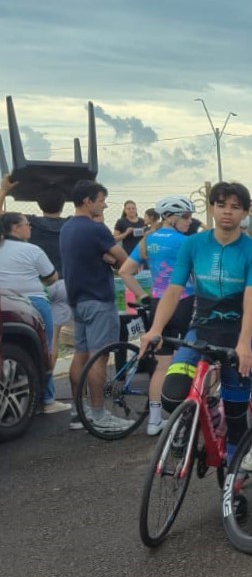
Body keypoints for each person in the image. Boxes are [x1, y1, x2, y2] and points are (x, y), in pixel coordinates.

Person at [138, 182, 252, 467]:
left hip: (236, 333)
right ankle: (206, 416)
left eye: (235, 207)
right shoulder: (193, 244)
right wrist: (155, 329)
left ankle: (234, 471)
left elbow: (251, 298)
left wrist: (245, 343)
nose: (227, 212)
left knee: (236, 416)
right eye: (221, 205)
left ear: (245, 212)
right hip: (200, 330)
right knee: (171, 396)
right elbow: (174, 289)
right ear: (211, 208)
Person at [119, 196, 198, 435]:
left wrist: (141, 295)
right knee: (189, 362)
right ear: (169, 217)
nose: (189, 221)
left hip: (157, 303)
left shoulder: (148, 240)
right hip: (183, 302)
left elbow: (124, 271)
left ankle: (154, 421)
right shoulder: (186, 242)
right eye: (185, 216)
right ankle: (185, 421)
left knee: (162, 365)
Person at [59, 180, 133, 432]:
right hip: (99, 299)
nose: (104, 205)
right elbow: (125, 262)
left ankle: (79, 412)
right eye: (101, 200)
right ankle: (100, 415)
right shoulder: (96, 229)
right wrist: (112, 261)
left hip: (77, 300)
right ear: (87, 201)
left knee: (81, 355)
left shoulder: (67, 228)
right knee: (100, 357)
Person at [0, 212, 66, 412]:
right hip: (34, 303)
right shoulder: (32, 250)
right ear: (15, 228)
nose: (30, 228)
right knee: (45, 350)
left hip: (6, 304)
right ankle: (47, 400)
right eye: (27, 224)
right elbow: (52, 277)